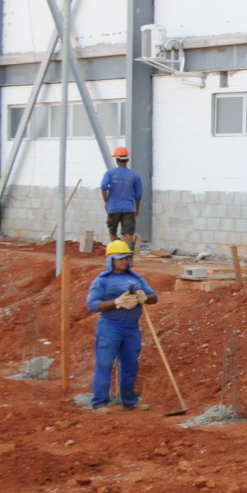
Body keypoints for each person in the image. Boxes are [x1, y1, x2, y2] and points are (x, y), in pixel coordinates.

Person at [83, 240, 158, 410]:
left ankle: (129, 401)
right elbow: (92, 305)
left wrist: (144, 297)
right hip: (110, 327)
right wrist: (116, 302)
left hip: (132, 328)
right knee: (105, 364)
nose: (124, 261)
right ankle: (100, 402)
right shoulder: (101, 281)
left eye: (126, 258)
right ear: (110, 260)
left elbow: (154, 296)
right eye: (120, 258)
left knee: (131, 365)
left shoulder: (136, 278)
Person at [99, 147, 144, 248]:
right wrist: (137, 208)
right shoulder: (135, 175)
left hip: (113, 207)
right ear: (127, 160)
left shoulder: (110, 173)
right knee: (128, 233)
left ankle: (116, 253)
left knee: (112, 231)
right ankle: (127, 256)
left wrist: (106, 201)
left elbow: (103, 187)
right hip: (128, 208)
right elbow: (138, 195)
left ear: (116, 159)